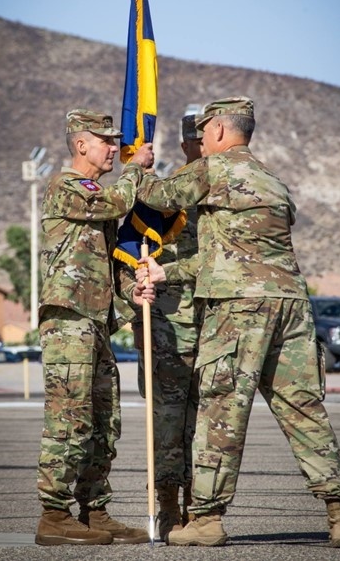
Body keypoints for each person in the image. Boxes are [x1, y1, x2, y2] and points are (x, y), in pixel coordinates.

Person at [136, 96, 340, 547]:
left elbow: (157, 196)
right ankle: (339, 516)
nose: (201, 138)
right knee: (304, 410)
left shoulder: (213, 170)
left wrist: (136, 166)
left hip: (240, 308)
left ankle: (207, 519)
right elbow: (235, 253)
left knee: (222, 410)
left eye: (204, 131)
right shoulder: (274, 181)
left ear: (216, 130)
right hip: (292, 304)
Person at [35, 108, 155, 546]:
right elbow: (116, 201)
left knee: (103, 419)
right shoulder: (66, 186)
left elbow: (103, 260)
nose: (113, 148)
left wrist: (132, 290)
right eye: (105, 141)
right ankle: (53, 515)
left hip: (96, 319)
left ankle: (94, 509)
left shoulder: (95, 197)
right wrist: (135, 170)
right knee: (70, 418)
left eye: (116, 140)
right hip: (68, 319)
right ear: (81, 144)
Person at [115, 113, 204, 541]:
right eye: (195, 140)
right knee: (167, 421)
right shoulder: (164, 196)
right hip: (168, 326)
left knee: (210, 423)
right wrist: (138, 310)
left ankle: (202, 510)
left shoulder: (231, 190)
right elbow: (132, 256)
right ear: (186, 145)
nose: (202, 146)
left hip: (218, 326)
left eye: (206, 137)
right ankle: (168, 506)